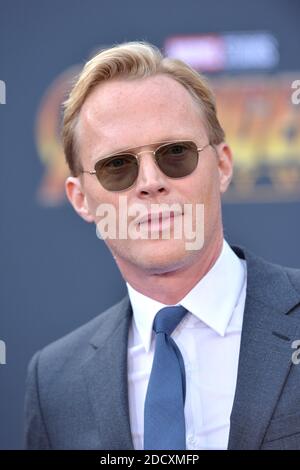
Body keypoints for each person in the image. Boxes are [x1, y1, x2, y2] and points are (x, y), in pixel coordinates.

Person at [24, 41, 300, 450]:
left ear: (222, 165)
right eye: (117, 165)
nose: (151, 181)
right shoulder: (54, 382)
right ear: (80, 198)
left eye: (175, 153)